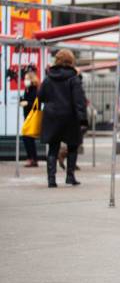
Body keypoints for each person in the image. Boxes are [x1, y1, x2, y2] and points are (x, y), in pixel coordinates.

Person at [38, 49, 88, 188]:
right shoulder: (74, 78)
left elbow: (40, 96)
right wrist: (83, 120)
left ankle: (51, 180)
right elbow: (79, 101)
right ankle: (70, 176)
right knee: (72, 146)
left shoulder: (48, 78)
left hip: (51, 117)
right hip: (69, 117)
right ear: (71, 61)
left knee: (53, 148)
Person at [20, 71, 40, 167]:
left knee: (27, 137)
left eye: (27, 79)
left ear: (31, 79)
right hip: (27, 116)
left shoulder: (34, 90)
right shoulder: (27, 89)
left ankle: (31, 158)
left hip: (32, 117)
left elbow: (36, 104)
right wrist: (22, 101)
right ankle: (33, 158)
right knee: (28, 138)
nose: (25, 81)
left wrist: (27, 103)